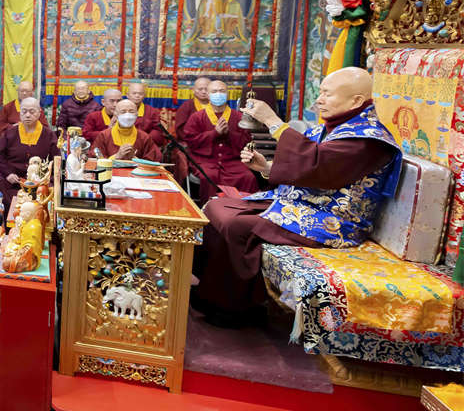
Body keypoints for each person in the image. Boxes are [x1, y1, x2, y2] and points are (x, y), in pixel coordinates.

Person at [192, 67, 401, 327]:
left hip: (333, 220)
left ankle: (236, 307)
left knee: (237, 225)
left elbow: (317, 165)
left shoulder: (367, 139)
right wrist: (266, 168)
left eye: (327, 94)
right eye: (320, 92)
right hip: (301, 202)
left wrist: (273, 121)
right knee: (216, 206)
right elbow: (309, 167)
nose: (319, 100)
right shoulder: (336, 127)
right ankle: (210, 292)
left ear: (355, 101)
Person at [180, 81, 257, 201]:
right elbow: (191, 141)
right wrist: (214, 133)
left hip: (232, 161)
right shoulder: (197, 117)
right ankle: (209, 208)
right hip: (206, 161)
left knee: (248, 177)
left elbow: (246, 142)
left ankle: (244, 208)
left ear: (227, 94)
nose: (218, 94)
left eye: (222, 91)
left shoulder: (238, 117)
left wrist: (229, 134)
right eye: (214, 91)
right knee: (208, 176)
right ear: (208, 95)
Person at [0, 97, 59, 215]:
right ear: (20, 114)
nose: (27, 115)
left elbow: (56, 160)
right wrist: (8, 174)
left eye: (32, 112)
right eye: (24, 111)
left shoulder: (49, 135)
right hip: (12, 179)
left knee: (51, 189)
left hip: (38, 181)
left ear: (39, 113)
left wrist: (46, 179)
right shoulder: (10, 133)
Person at [92, 99, 162, 162]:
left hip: (136, 172)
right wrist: (117, 156)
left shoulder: (144, 137)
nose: (127, 115)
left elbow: (154, 161)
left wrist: (134, 158)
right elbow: (95, 159)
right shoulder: (104, 135)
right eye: (123, 112)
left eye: (131, 111)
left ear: (137, 114)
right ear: (115, 114)